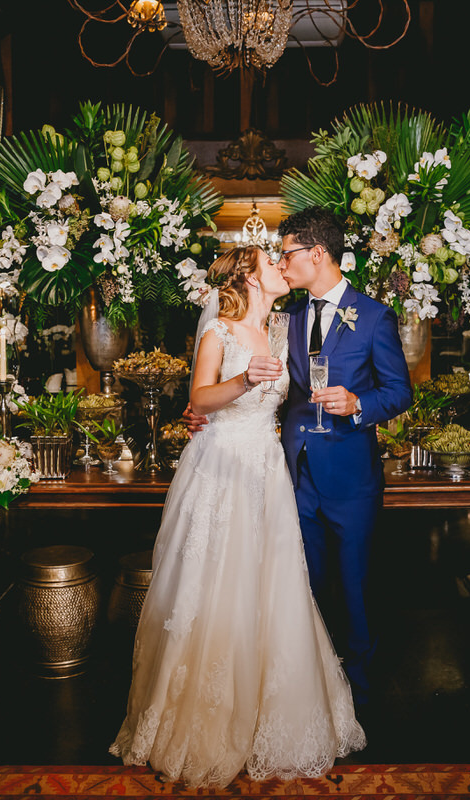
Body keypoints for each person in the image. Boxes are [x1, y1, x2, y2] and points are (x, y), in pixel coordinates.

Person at [109, 245, 366, 789]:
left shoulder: (285, 329)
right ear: (249, 277)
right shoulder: (218, 333)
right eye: (271, 262)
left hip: (267, 470)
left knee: (271, 585)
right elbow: (199, 399)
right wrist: (243, 382)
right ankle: (204, 721)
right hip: (221, 466)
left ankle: (273, 719)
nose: (281, 266)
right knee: (214, 586)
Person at [272, 206, 413, 707]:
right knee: (300, 581)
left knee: (354, 585)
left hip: (351, 475)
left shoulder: (374, 317)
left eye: (287, 253)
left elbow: (399, 393)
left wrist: (358, 405)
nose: (281, 263)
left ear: (317, 254)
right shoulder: (285, 319)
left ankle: (358, 687)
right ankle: (308, 682)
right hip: (293, 472)